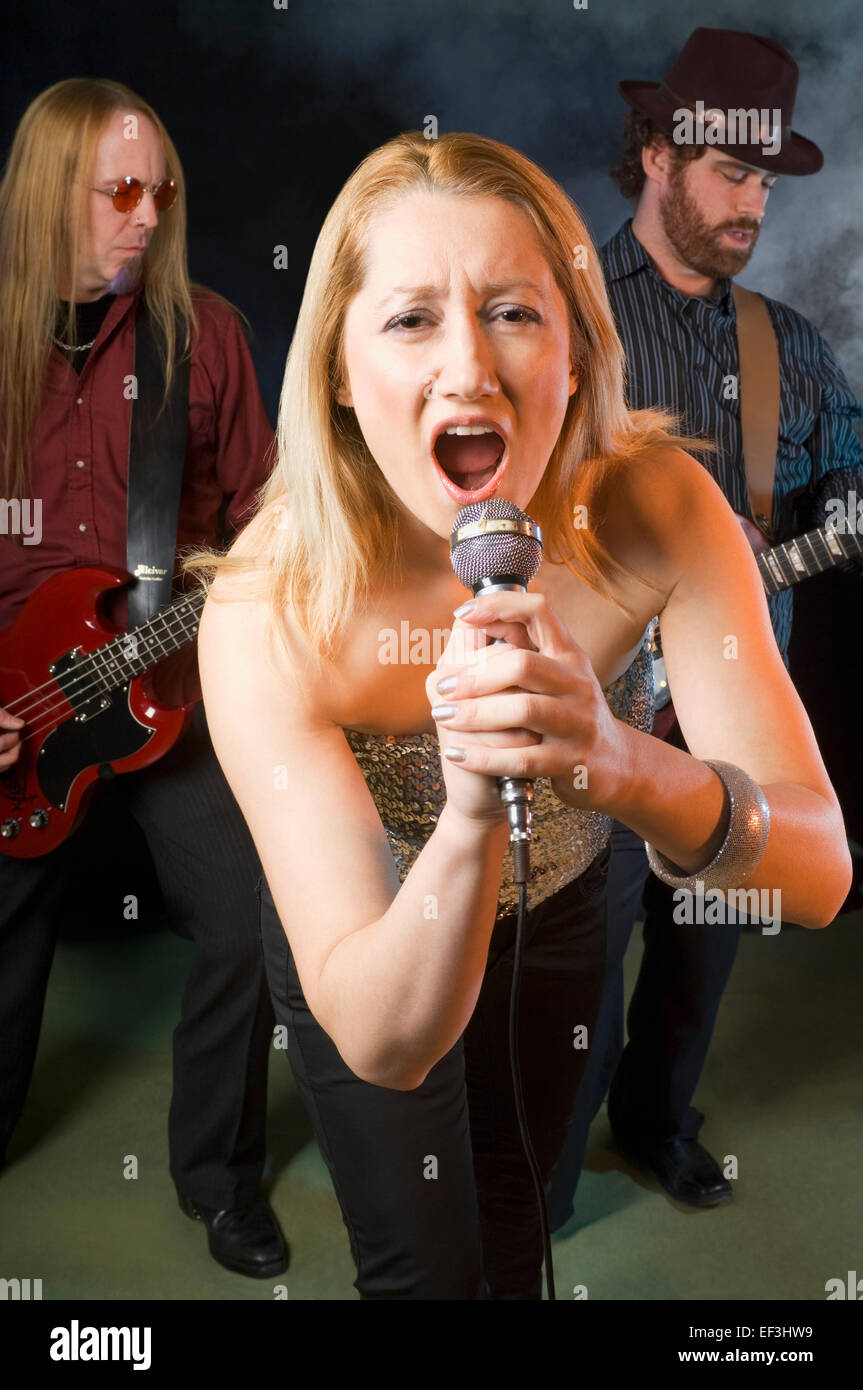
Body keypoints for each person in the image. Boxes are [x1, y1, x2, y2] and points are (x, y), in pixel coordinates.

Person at [190, 129, 850, 1300]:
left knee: (517, 1221)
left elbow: (814, 872)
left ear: (576, 349)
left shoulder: (655, 507)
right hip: (373, 936)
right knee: (429, 1276)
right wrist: (461, 817)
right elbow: (386, 1039)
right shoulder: (265, 609)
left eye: (511, 312)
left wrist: (615, 761)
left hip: (565, 911)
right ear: (339, 369)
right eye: (407, 320)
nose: (468, 371)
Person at [547, 27, 863, 1226]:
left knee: (700, 950)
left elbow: (846, 476)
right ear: (653, 155)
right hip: (600, 706)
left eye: (764, 183)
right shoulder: (565, 323)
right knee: (582, 950)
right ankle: (548, 1142)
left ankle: (655, 1124)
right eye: (729, 173)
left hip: (736, 722)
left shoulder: (788, 343)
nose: (750, 204)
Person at [0, 78, 287, 1278]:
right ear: (45, 197)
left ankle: (218, 1178)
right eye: (120, 191)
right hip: (17, 703)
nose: (147, 216)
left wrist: (298, 538)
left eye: (160, 191)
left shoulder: (201, 334)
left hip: (171, 671)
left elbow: (269, 505)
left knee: (245, 920)